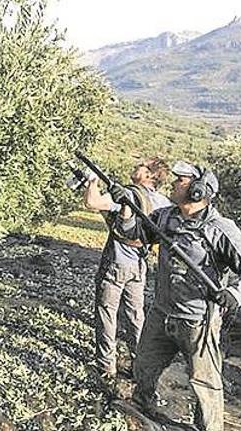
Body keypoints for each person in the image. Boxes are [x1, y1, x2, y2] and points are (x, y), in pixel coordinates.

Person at [111, 161, 241, 431]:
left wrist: (234, 293)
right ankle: (141, 408)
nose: (173, 184)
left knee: (204, 383)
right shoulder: (166, 217)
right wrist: (126, 208)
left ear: (198, 191)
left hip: (197, 321)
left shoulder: (220, 229)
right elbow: (131, 234)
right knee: (144, 367)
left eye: (180, 181)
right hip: (162, 313)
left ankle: (209, 427)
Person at [83, 158, 172, 379]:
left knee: (107, 313)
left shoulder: (129, 194)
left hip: (116, 262)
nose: (137, 165)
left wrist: (91, 181)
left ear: (150, 175)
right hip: (139, 265)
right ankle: (139, 364)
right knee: (135, 316)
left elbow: (92, 203)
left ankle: (106, 367)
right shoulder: (163, 202)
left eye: (142, 165)